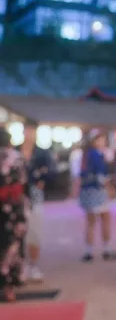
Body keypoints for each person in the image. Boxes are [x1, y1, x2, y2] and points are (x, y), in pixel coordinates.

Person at [78, 130, 116, 262]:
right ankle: (106, 249)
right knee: (105, 218)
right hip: (97, 190)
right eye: (100, 139)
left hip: (87, 190)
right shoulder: (97, 155)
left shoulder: (86, 155)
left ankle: (88, 250)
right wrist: (110, 189)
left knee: (91, 221)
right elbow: (101, 176)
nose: (102, 142)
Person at [21, 121, 55, 283]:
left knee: (34, 232)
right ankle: (17, 266)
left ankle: (33, 265)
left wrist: (41, 180)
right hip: (15, 197)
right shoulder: (14, 151)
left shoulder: (42, 153)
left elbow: (51, 171)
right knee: (15, 234)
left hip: (34, 195)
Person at [0, 126, 28, 303]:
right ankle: (9, 288)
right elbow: (24, 182)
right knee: (12, 245)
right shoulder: (16, 158)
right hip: (13, 206)